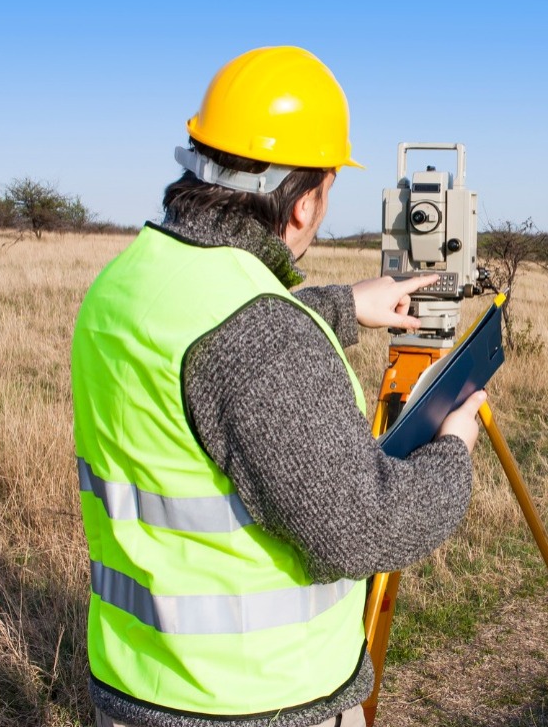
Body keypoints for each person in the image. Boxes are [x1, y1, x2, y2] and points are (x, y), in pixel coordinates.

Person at [71, 46, 486, 727]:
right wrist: (454, 451)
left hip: (136, 684)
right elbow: (366, 527)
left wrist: (344, 304)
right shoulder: (257, 337)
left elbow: (206, 357)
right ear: (303, 202)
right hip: (258, 702)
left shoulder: (124, 285)